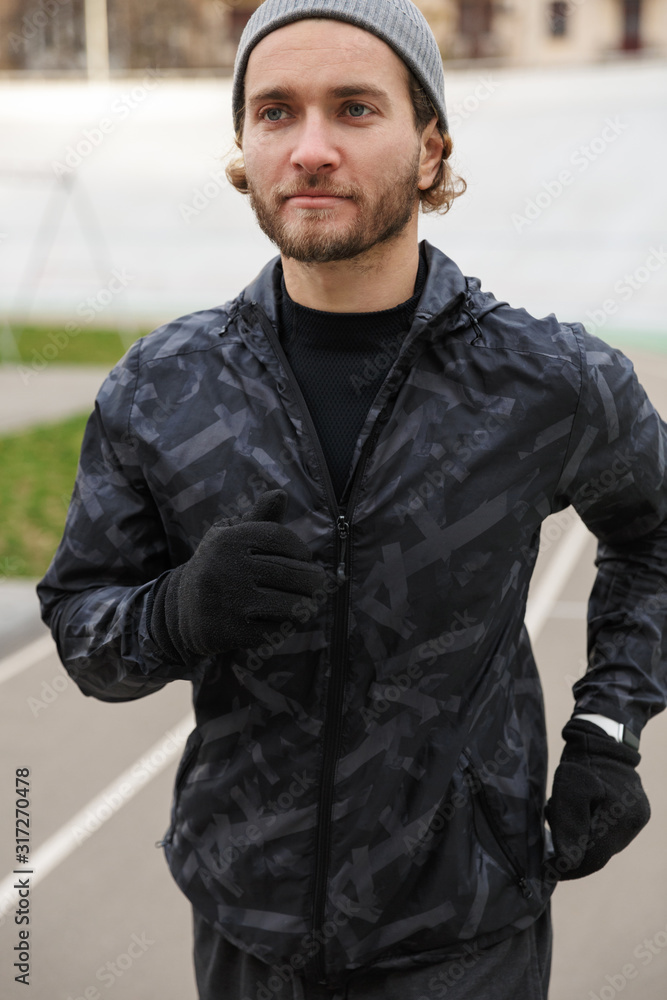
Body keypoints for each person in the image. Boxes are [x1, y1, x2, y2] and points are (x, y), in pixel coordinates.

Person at [37, 1, 667, 997]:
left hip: (467, 933)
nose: (311, 149)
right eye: (276, 112)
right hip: (246, 926)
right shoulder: (161, 388)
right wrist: (175, 612)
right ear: (244, 146)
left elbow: (655, 537)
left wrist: (609, 729)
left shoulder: (547, 382)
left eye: (355, 109)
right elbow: (82, 629)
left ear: (430, 147)